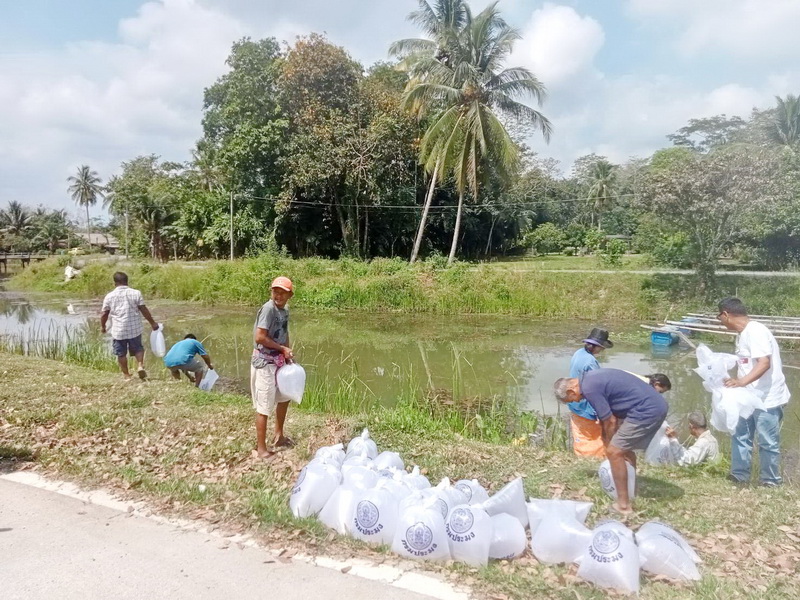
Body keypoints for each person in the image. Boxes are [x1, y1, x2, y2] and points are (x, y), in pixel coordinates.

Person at [554, 368, 669, 514]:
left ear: (571, 391)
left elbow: (610, 420)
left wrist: (609, 442)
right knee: (623, 450)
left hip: (647, 410)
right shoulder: (589, 379)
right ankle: (632, 490)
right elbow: (607, 416)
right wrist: (606, 437)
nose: (577, 401)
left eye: (571, 400)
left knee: (614, 452)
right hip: (651, 405)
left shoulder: (589, 389)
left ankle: (623, 506)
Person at [717, 297, 790, 486]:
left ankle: (770, 481)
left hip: (767, 398)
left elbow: (764, 363)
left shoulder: (756, 331)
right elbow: (747, 364)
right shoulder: (743, 333)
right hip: (747, 396)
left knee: (767, 442)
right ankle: (739, 475)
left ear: (726, 314)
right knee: (740, 435)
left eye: (720, 318)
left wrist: (740, 382)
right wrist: (733, 381)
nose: (721, 322)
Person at [251, 276, 295, 459]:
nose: (278, 295)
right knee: (265, 405)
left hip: (278, 361)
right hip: (264, 362)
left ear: (289, 295)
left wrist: (288, 354)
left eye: (282, 292)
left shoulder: (283, 311)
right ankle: (261, 449)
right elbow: (259, 337)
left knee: (284, 397)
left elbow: (284, 334)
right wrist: (281, 348)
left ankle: (279, 435)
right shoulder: (268, 309)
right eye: (275, 291)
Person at [100, 271, 158, 380]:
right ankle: (140, 365)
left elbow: (104, 314)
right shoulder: (136, 293)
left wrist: (103, 327)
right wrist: (152, 323)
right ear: (127, 281)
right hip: (134, 328)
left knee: (121, 353)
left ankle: (127, 375)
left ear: (115, 283)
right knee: (138, 349)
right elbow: (143, 309)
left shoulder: (109, 296)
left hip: (118, 330)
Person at [567, 328, 614, 458]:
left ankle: (580, 456)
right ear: (596, 346)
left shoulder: (578, 353)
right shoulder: (591, 362)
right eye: (602, 347)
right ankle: (594, 459)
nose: (602, 350)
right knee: (593, 438)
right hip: (586, 407)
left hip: (574, 402)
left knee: (580, 436)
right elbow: (596, 388)